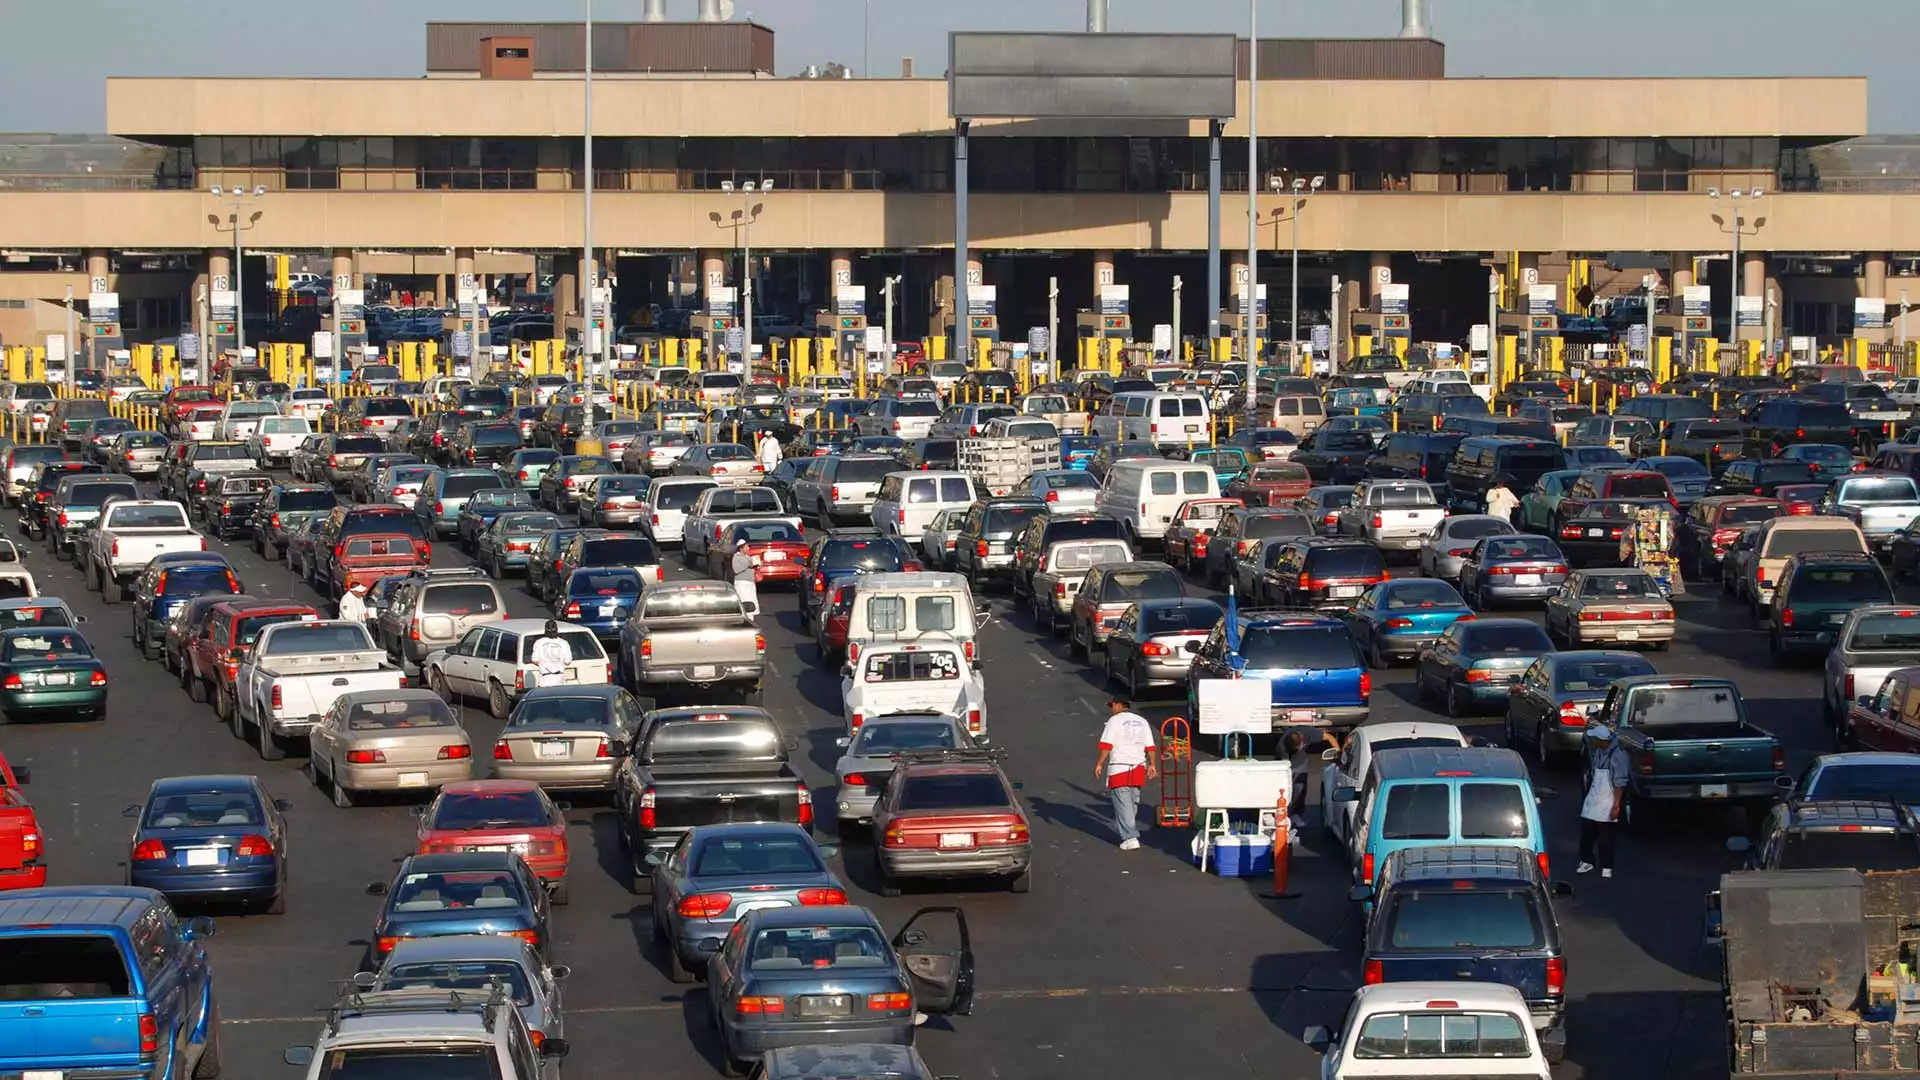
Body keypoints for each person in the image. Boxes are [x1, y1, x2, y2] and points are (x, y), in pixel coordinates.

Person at [1094, 695, 1157, 851]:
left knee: (1123, 803)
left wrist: (1100, 763)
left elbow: (1106, 745)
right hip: (1138, 768)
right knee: (1132, 801)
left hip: (1119, 768)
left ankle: (1130, 836)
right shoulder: (1142, 721)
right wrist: (1153, 765)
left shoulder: (1114, 722)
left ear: (1117, 705)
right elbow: (1150, 746)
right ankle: (1128, 827)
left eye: (1112, 706)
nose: (1111, 709)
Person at [1578, 722, 1629, 878]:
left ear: (1603, 740)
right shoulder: (1599, 752)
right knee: (1587, 832)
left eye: (1596, 739)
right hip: (1594, 799)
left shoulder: (1617, 756)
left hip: (1608, 800)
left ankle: (1607, 866)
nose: (1593, 742)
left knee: (1605, 837)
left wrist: (1616, 805)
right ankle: (1587, 861)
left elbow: (1619, 783)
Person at [530, 619, 573, 689]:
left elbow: (534, 659)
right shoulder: (563, 643)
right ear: (556, 630)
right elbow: (568, 661)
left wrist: (545, 664)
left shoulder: (539, 642)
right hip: (559, 680)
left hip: (544, 680)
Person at [730, 538, 759, 613]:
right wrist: (751, 564)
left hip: (750, 582)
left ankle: (751, 616)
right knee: (744, 601)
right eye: (746, 547)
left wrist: (758, 564)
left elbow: (752, 564)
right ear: (741, 548)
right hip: (742, 584)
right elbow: (738, 568)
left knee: (752, 601)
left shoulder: (747, 556)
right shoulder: (736, 557)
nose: (748, 548)